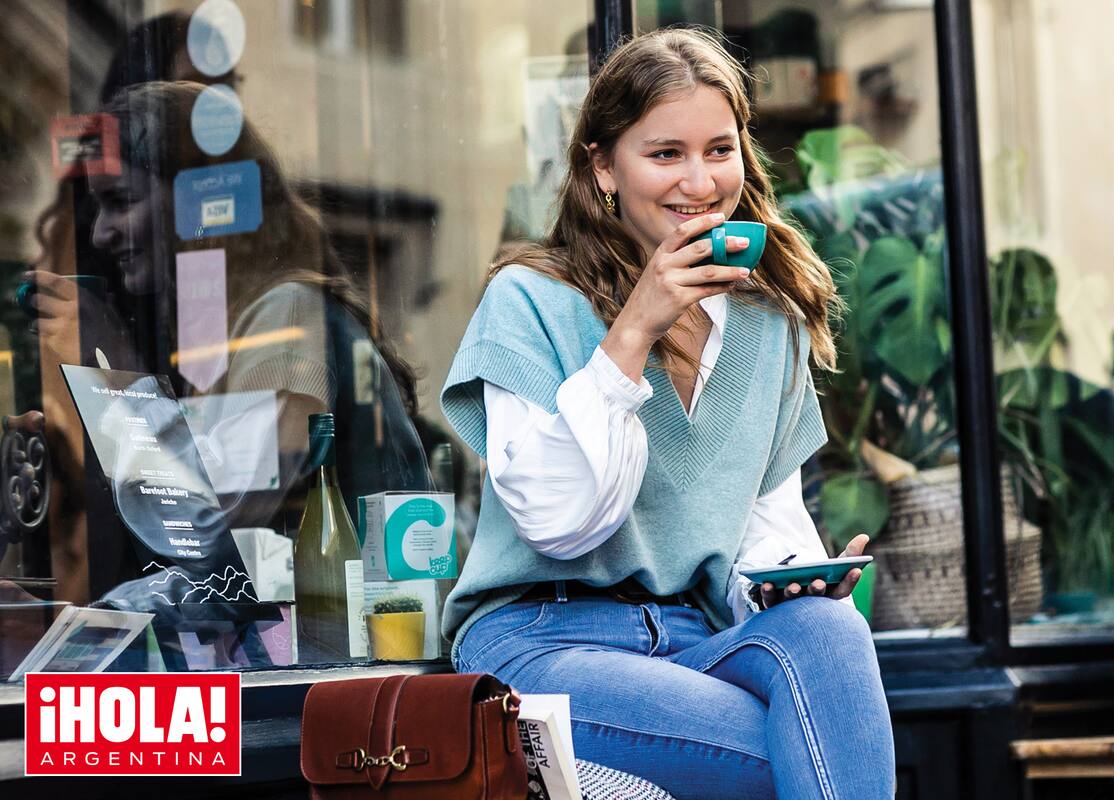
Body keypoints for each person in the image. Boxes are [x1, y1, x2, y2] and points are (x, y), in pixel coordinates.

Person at [440, 29, 894, 799]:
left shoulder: (767, 323)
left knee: (829, 629)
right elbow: (559, 524)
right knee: (812, 747)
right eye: (665, 154)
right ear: (603, 166)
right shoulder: (529, 302)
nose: (700, 180)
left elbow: (762, 530)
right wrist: (634, 333)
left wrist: (790, 583)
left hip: (694, 639)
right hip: (544, 644)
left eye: (719, 150)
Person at [28, 81, 431, 605]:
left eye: (120, 202)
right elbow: (222, 579)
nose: (102, 234)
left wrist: (118, 377)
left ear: (201, 199)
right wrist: (70, 626)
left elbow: (213, 531)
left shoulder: (287, 316)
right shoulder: (226, 330)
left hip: (350, 645)